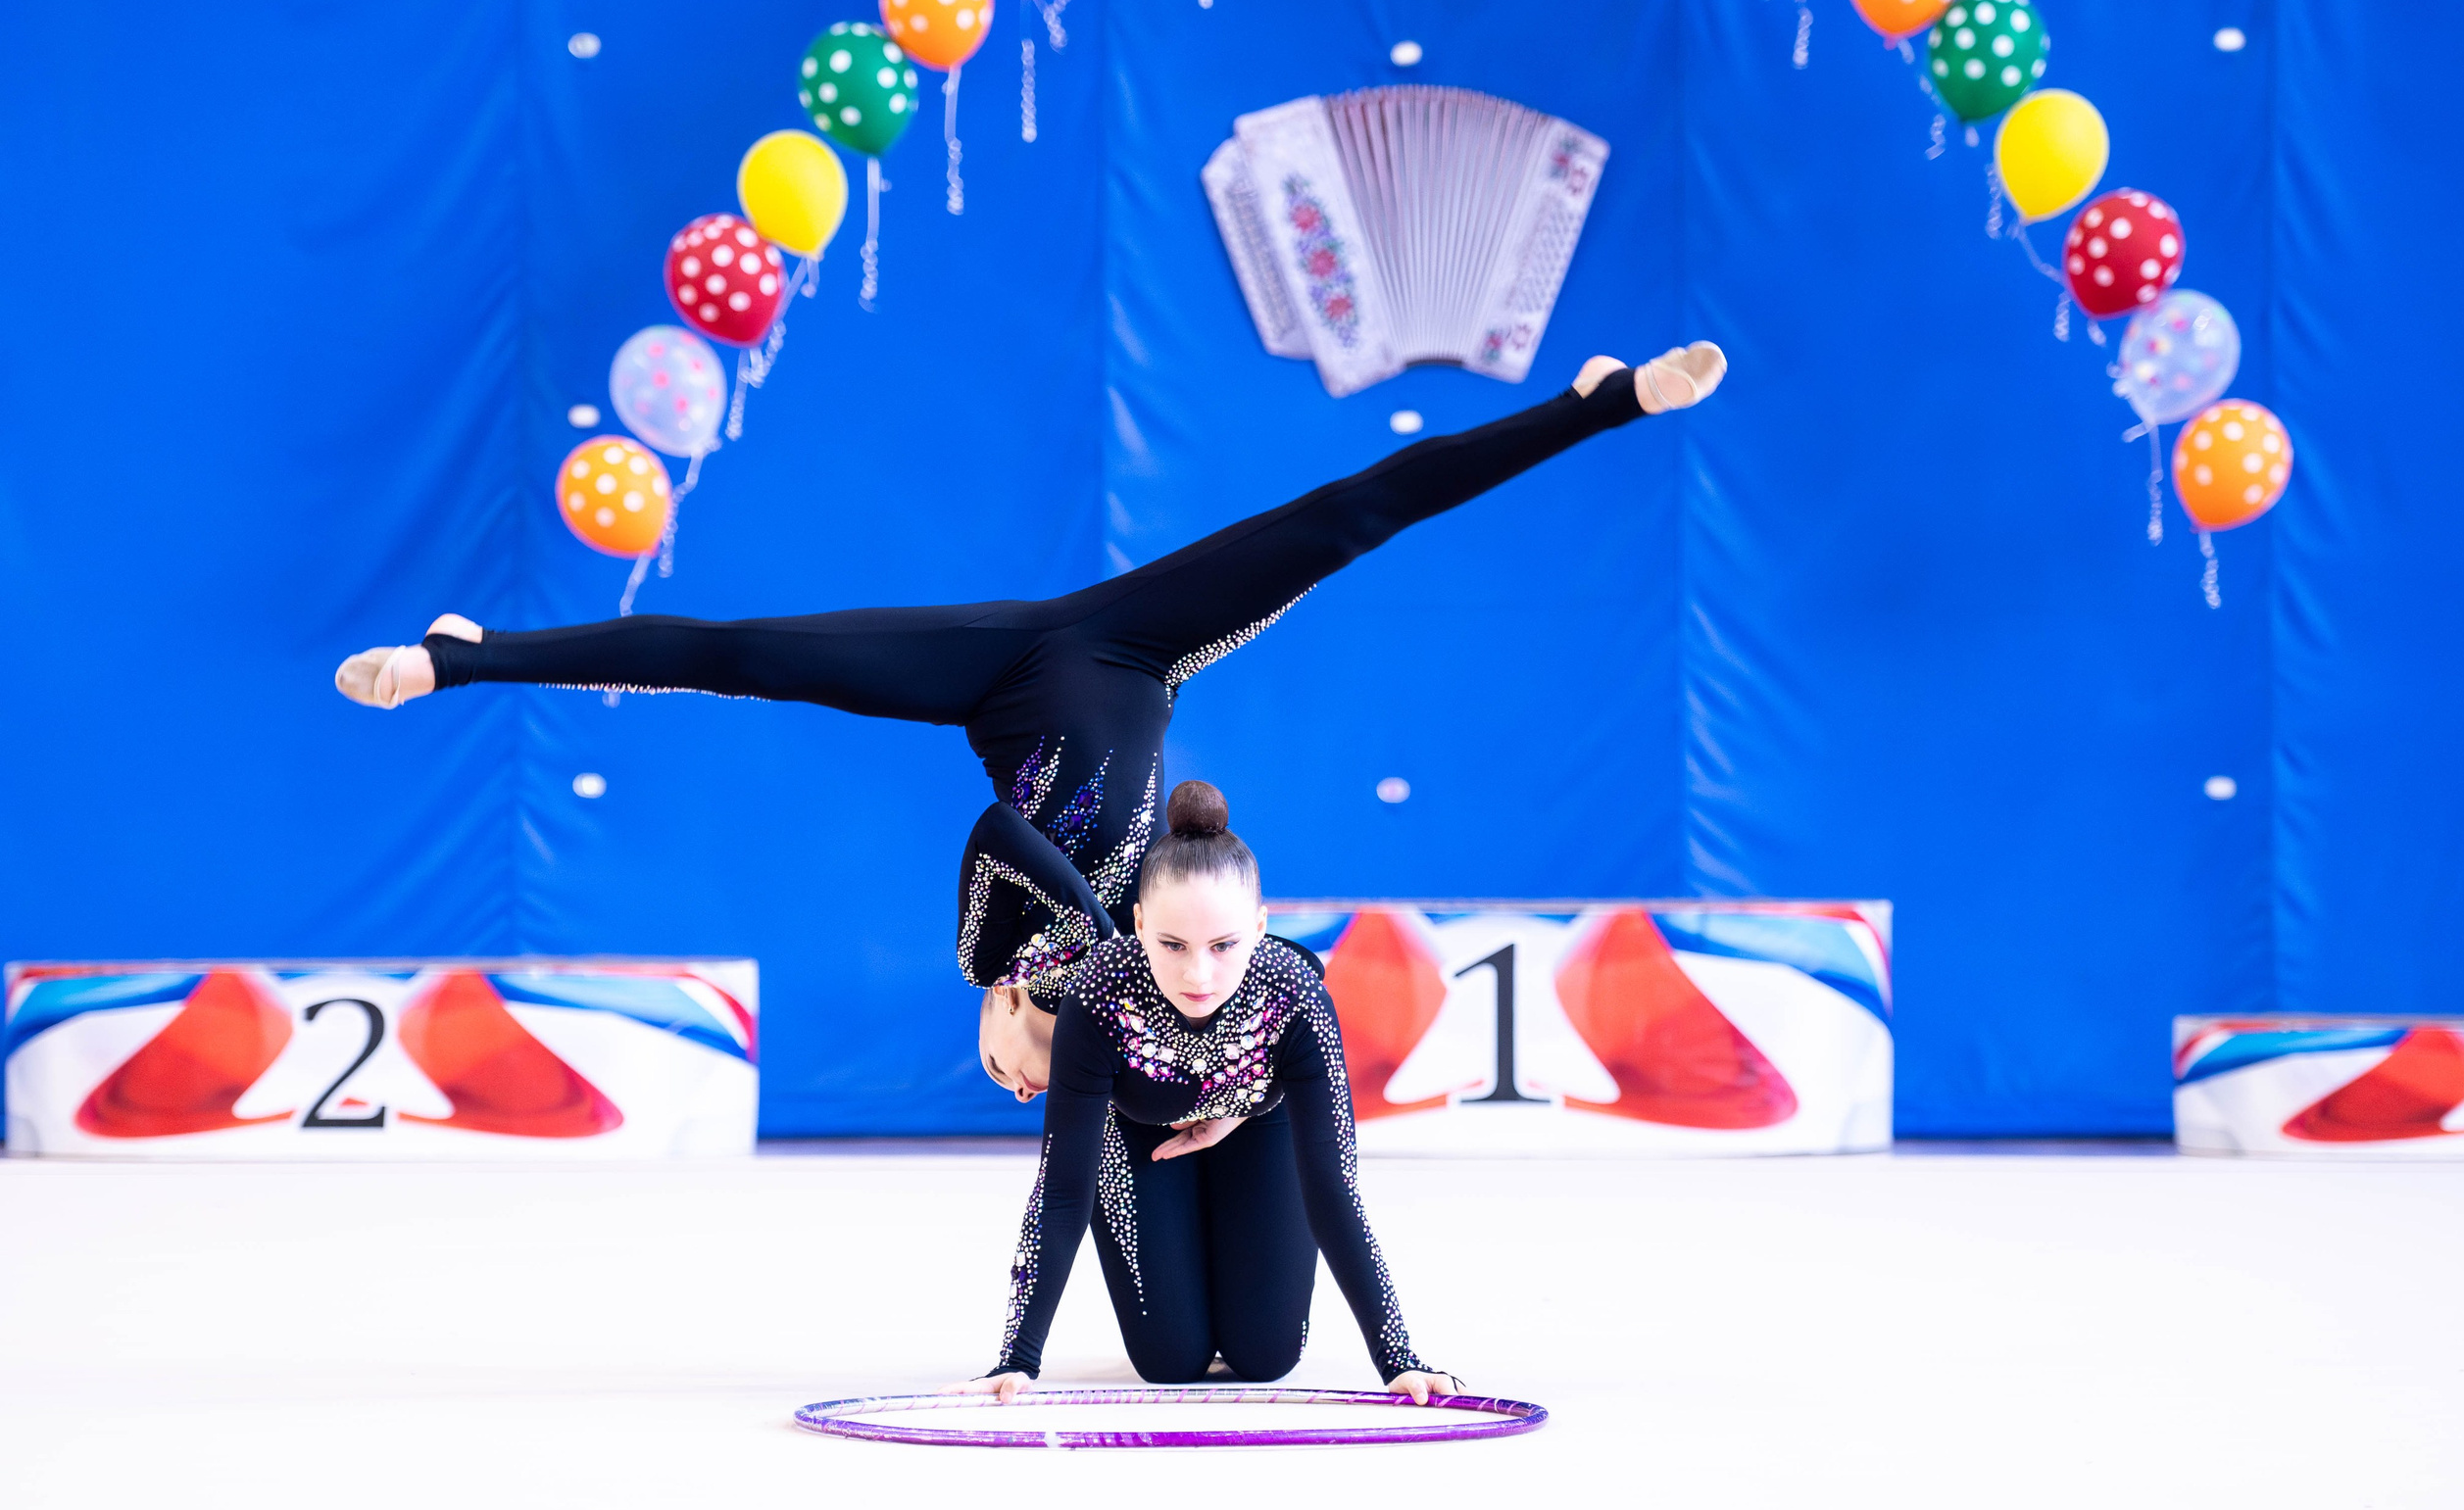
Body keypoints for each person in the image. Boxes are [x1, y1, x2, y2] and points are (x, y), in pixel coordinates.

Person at [333, 344, 1728, 1093]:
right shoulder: (1144, 967)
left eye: (1010, 1075)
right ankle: (1600, 404)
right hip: (1142, 649)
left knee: (746, 654)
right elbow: (1225, 928)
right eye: (1032, 1082)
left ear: (1001, 1023)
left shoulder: (988, 949)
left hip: (996, 677)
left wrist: (1081, 945)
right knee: (1342, 522)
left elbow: (1003, 832)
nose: (1018, 1079)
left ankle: (466, 655)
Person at [949, 780, 1451, 1400]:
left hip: (1257, 1120)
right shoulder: (1099, 994)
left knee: (1266, 1355)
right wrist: (1018, 1358)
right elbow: (1061, 1192)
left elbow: (1334, 1191)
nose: (1198, 974)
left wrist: (1397, 1357)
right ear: (1138, 924)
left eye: (1224, 945)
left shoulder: (1295, 996)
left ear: (1260, 927)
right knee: (1168, 1359)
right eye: (1172, 945)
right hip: (1144, 1136)